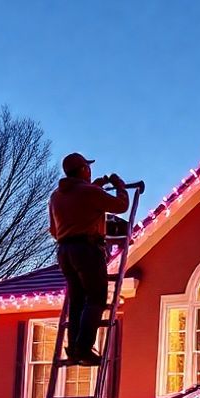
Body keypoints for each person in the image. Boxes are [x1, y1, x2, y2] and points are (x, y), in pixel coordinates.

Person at [49, 152, 130, 365]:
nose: (90, 170)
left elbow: (53, 229)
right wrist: (119, 186)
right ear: (83, 169)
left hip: (64, 252)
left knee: (77, 301)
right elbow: (121, 205)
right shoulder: (89, 192)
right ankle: (84, 349)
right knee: (95, 298)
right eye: (88, 167)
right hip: (87, 249)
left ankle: (74, 348)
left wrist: (96, 188)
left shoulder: (56, 196)